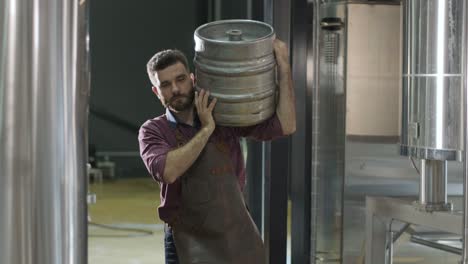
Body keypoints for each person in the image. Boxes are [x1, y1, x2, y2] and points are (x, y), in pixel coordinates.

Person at [138, 39, 296, 264]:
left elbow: (286, 124)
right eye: (165, 84)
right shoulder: (153, 131)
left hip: (235, 234)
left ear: (192, 79)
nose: (175, 89)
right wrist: (206, 129)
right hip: (186, 241)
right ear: (156, 91)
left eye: (180, 79)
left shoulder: (223, 115)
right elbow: (168, 171)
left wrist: (283, 64)